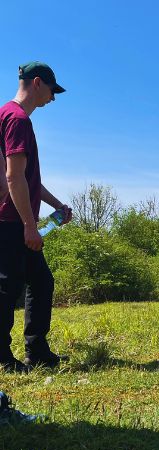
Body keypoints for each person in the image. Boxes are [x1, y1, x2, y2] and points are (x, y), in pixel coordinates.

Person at [0, 61, 72, 373]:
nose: (53, 99)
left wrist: (59, 206)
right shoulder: (18, 120)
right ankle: (3, 359)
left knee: (41, 282)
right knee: (7, 288)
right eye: (52, 92)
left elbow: (29, 180)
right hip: (12, 222)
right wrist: (30, 226)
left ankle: (37, 351)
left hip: (17, 221)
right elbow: (14, 179)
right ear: (38, 83)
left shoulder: (6, 114)